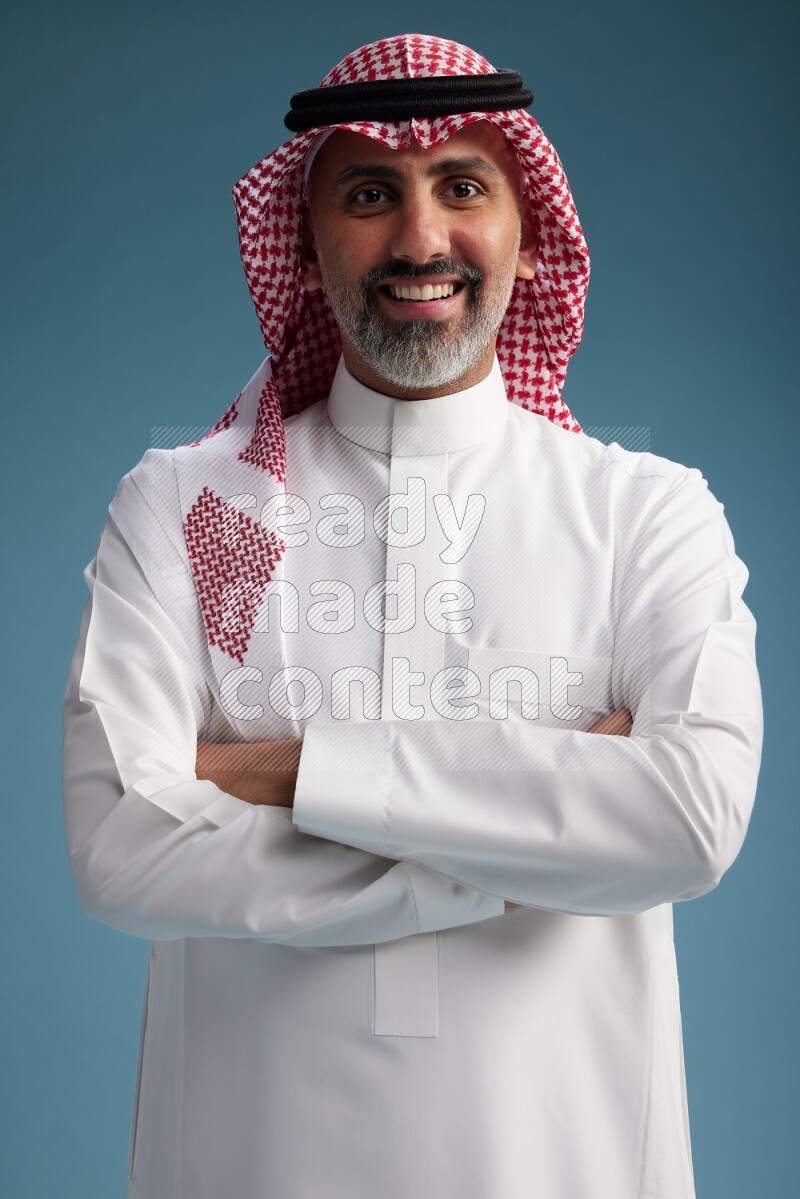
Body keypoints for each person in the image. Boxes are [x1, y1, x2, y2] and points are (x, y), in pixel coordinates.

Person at [61, 32, 763, 1199]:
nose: (420, 240)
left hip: (566, 1161)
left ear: (530, 238)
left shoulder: (643, 513)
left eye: (463, 189)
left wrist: (280, 769)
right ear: (303, 239)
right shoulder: (190, 506)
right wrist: (535, 838)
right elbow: (122, 850)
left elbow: (687, 822)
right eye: (372, 194)